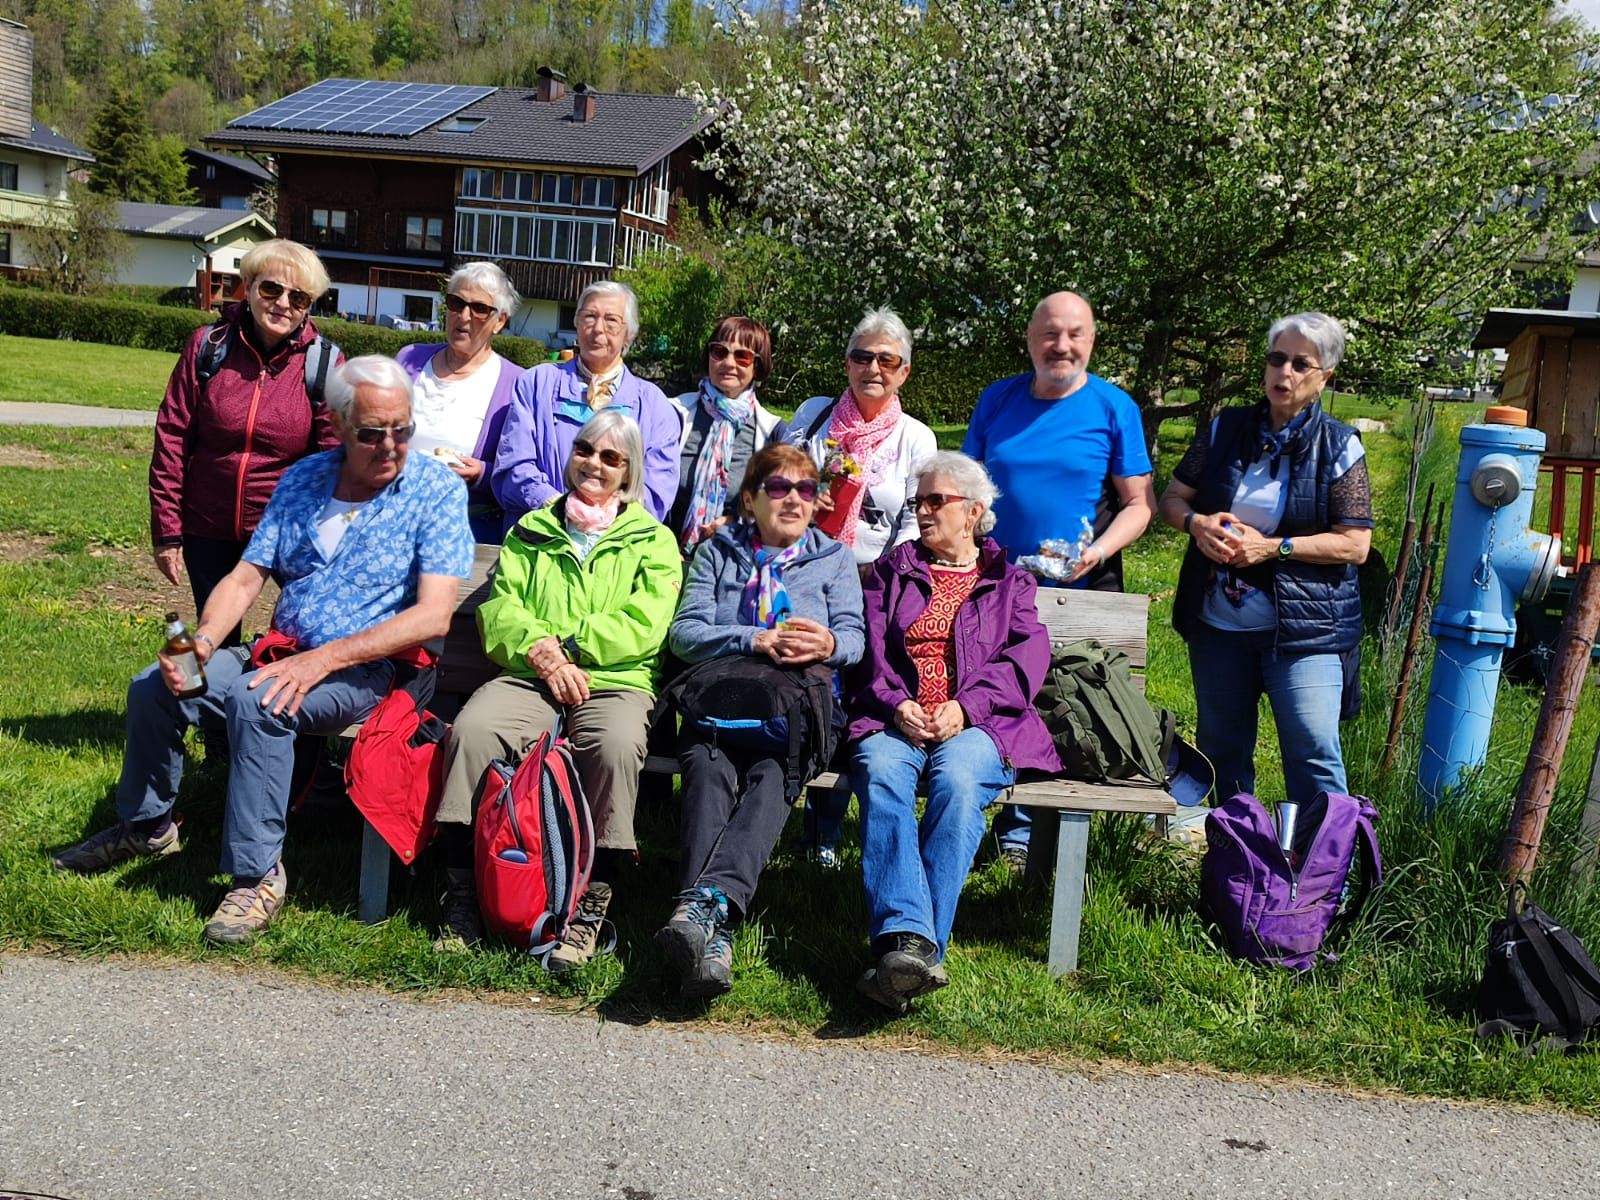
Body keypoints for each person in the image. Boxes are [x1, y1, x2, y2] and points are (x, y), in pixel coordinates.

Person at [54, 356, 473, 944]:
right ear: (338, 424)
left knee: (261, 703)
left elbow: (433, 614)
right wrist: (201, 644)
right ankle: (147, 825)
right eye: (372, 432)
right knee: (156, 683)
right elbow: (247, 576)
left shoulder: (435, 491)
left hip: (371, 669)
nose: (390, 445)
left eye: (402, 429)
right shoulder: (304, 479)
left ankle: (257, 875)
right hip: (281, 653)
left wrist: (324, 659)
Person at [435, 409, 681, 965]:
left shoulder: (655, 541)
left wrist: (568, 648)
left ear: (629, 473)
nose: (594, 464)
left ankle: (590, 906)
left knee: (614, 747)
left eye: (611, 458)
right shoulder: (533, 529)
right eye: (586, 450)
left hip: (614, 680)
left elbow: (646, 623)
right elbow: (501, 607)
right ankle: (464, 893)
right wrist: (542, 655)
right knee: (473, 731)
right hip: (531, 673)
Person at [848, 452, 1060, 1012]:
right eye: (919, 501)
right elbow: (869, 650)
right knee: (882, 770)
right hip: (899, 717)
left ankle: (906, 949)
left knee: (959, 780)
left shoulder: (1009, 582)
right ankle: (913, 949)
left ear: (974, 512)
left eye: (935, 500)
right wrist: (896, 703)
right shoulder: (894, 571)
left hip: (984, 723)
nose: (923, 511)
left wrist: (966, 708)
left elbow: (1024, 659)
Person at [656, 444, 864, 998]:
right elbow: (685, 632)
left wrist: (830, 641)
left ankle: (699, 910)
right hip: (720, 704)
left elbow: (856, 640)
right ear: (751, 498)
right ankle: (715, 931)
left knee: (773, 777)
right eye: (778, 487)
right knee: (705, 768)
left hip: (796, 712)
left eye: (805, 489)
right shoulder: (717, 551)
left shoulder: (834, 559)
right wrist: (753, 638)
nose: (793, 499)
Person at [962, 290, 1156, 872]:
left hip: (1080, 587)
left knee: (1059, 704)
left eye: (1074, 334)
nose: (1061, 345)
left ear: (1092, 341)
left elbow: (1139, 504)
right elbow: (969, 485)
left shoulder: (1114, 407)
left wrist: (1097, 551)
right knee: (990, 694)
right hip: (995, 584)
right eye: (1050, 333)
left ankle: (1027, 836)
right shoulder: (997, 399)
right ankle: (982, 814)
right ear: (1030, 339)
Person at [1157, 312, 1371, 810]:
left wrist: (1274, 548)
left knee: (1313, 751)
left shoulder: (1339, 444)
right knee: (1222, 752)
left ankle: (1320, 878)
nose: (1285, 373)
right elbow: (1172, 498)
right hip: (1219, 625)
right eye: (1277, 359)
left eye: (1301, 364)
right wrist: (1197, 524)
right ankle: (1238, 869)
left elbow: (1354, 544)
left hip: (1307, 632)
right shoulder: (1225, 428)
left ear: (1324, 378)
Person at [789, 308, 937, 864]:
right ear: (846, 362)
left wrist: (876, 583)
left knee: (857, 701)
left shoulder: (915, 438)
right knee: (811, 693)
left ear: (903, 371)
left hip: (879, 585)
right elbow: (775, 482)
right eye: (861, 356)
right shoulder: (812, 417)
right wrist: (804, 502)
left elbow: (915, 522)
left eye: (886, 360)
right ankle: (804, 823)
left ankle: (828, 826)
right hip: (806, 576)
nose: (872, 367)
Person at [149, 239, 340, 644]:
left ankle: (271, 703)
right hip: (208, 524)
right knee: (214, 636)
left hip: (285, 528)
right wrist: (168, 531)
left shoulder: (323, 363)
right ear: (249, 286)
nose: (283, 303)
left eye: (299, 297)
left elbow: (333, 457)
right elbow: (172, 438)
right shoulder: (207, 347)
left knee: (303, 631)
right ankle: (211, 704)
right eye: (271, 289)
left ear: (309, 305)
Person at [492, 280, 681, 529]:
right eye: (589, 316)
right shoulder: (536, 384)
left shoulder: (655, 406)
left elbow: (656, 491)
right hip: (540, 539)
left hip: (616, 552)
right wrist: (561, 509)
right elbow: (512, 466)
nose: (598, 329)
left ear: (630, 333)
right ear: (577, 322)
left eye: (611, 320)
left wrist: (600, 523)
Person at [395, 262, 522, 541]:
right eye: (456, 303)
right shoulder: (410, 359)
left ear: (499, 321)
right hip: (396, 517)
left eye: (479, 309)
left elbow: (519, 469)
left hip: (465, 530)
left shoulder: (516, 384)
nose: (464, 316)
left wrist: (482, 473)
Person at [668, 316, 791, 556]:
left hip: (734, 559)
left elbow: (778, 503)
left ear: (758, 365)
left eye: (742, 356)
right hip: (667, 556)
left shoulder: (772, 432)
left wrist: (737, 520)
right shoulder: (676, 413)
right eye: (719, 352)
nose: (729, 362)